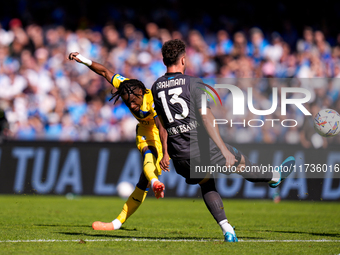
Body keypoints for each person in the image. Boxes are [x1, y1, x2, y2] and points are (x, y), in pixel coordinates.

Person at [151, 39, 296, 242]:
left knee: (207, 183)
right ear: (183, 59)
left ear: (164, 60)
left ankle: (228, 230)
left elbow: (161, 124)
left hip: (179, 156)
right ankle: (274, 176)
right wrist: (223, 149)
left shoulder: (156, 87)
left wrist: (165, 153)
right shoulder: (194, 83)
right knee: (239, 161)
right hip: (202, 148)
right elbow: (206, 117)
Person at [68, 52, 169, 231]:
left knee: (143, 180)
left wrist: (166, 154)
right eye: (127, 102)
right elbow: (105, 72)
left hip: (162, 133)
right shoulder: (126, 87)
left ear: (140, 93)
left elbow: (162, 128)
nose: (131, 106)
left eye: (134, 102)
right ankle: (153, 184)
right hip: (144, 130)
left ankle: (117, 222)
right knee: (147, 158)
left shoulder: (153, 100)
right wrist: (83, 59)